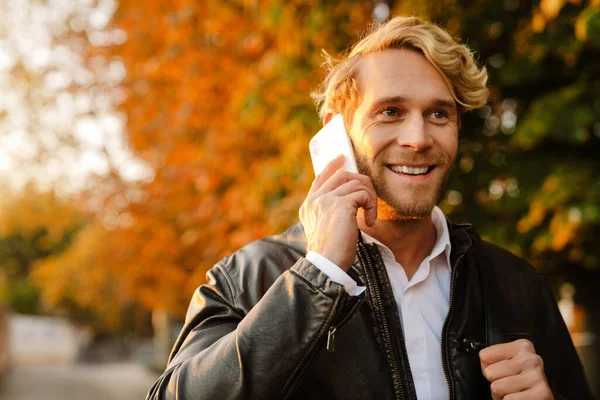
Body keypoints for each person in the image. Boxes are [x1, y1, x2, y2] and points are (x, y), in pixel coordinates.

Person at [146, 16, 591, 400]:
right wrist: (318, 277)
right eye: (390, 112)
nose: (418, 138)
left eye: (439, 114)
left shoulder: (515, 284)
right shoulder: (247, 278)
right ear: (336, 133)